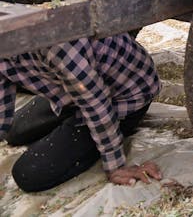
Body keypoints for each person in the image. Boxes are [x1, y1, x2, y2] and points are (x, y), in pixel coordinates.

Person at [1, 33, 163, 192]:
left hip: (122, 96)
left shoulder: (53, 41)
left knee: (27, 174)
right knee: (13, 131)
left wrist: (116, 166)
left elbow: (96, 102)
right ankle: (70, 124)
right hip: (72, 87)